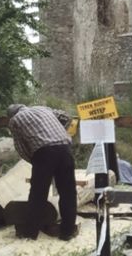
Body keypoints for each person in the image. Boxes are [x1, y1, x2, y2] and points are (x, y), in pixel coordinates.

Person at [7, 103, 79, 240]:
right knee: (68, 192)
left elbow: (20, 147)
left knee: (38, 194)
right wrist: (60, 132)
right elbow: (66, 116)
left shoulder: (14, 121)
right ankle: (67, 232)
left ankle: (30, 233)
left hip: (44, 152)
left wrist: (35, 161)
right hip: (65, 148)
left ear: (11, 115)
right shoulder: (43, 108)